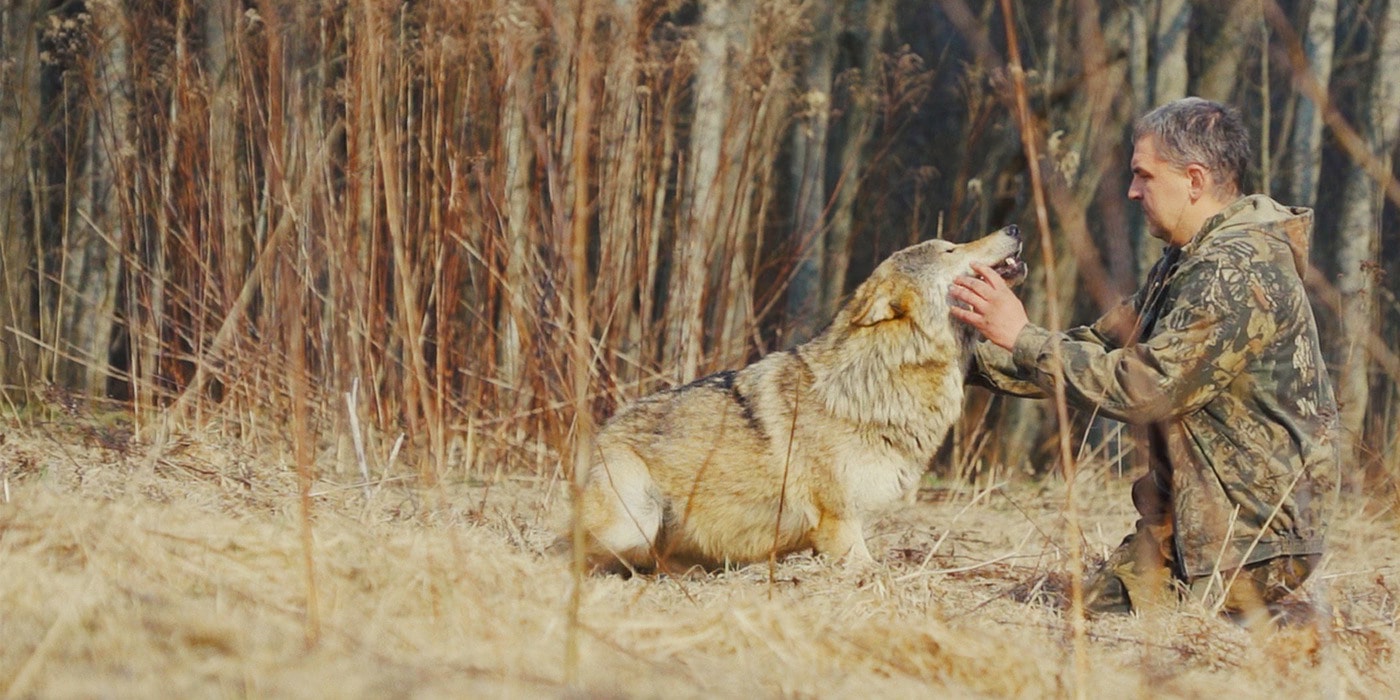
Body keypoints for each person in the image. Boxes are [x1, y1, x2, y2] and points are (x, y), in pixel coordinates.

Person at [949, 97, 1340, 620]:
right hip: (1193, 526)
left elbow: (1149, 388)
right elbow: (1095, 347)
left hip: (1251, 544)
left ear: (1195, 180)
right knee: (1083, 608)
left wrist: (1021, 335)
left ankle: (1282, 625)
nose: (1133, 191)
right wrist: (958, 356)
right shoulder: (1189, 261)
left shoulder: (1236, 270)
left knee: (1104, 624)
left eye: (1144, 176)